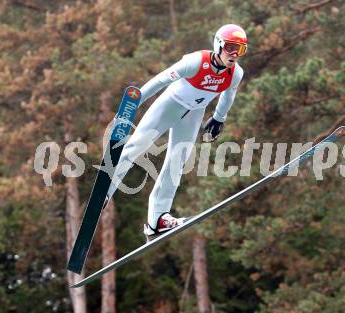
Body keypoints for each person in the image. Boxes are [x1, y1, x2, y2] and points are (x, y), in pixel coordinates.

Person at [105, 24, 247, 240]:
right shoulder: (195, 62)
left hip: (194, 113)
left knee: (177, 159)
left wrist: (219, 118)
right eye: (230, 47)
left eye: (241, 49)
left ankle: (158, 218)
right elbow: (160, 80)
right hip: (170, 105)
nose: (235, 54)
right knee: (137, 146)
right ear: (218, 44)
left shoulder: (235, 73)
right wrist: (135, 102)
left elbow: (228, 96)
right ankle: (106, 189)